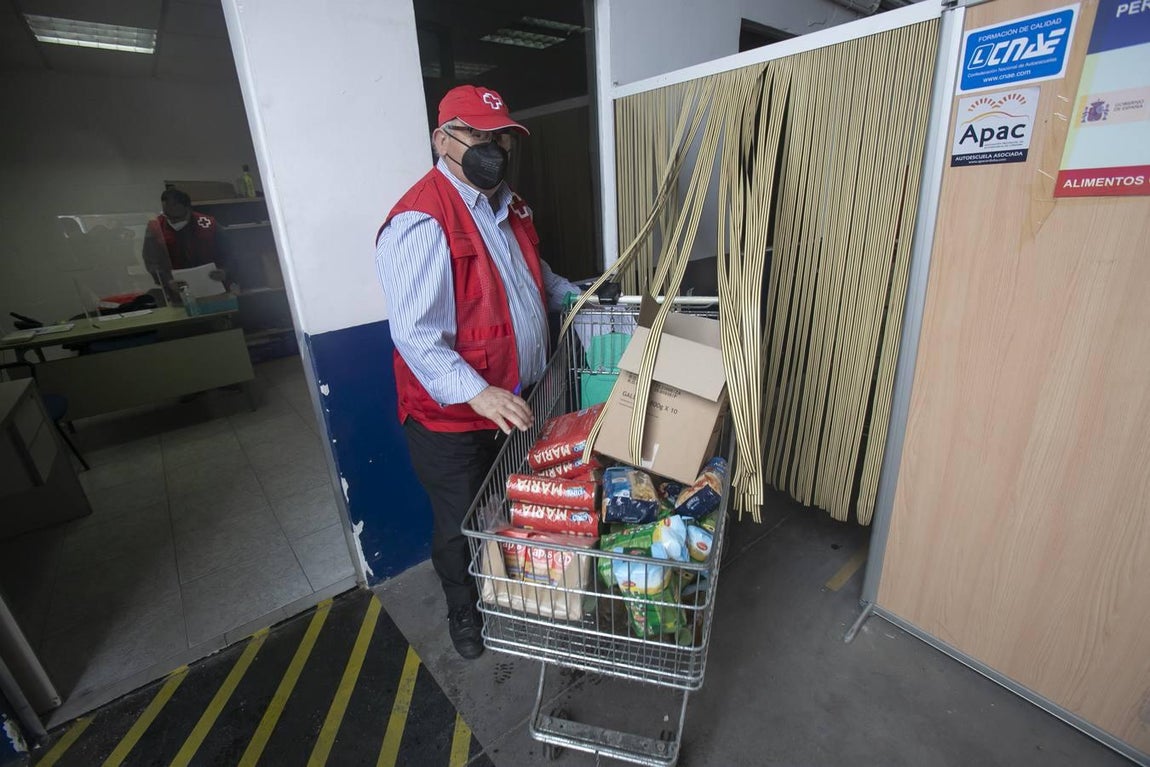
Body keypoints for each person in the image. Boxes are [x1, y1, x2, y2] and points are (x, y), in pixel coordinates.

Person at [376, 85, 581, 659]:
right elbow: (415, 334)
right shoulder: (422, 218)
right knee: (459, 525)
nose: (491, 148)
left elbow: (532, 276)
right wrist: (478, 392)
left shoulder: (508, 204)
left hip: (519, 404)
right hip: (454, 421)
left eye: (499, 137)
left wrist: (576, 296)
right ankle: (463, 609)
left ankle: (516, 588)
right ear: (443, 140)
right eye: (477, 135)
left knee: (516, 503)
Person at [142, 187, 231, 299]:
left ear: (187, 209)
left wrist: (225, 270)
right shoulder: (156, 227)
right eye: (167, 216)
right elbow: (151, 260)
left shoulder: (208, 224)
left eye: (176, 217)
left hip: (213, 286)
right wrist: (167, 281)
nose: (172, 221)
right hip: (177, 291)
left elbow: (229, 252)